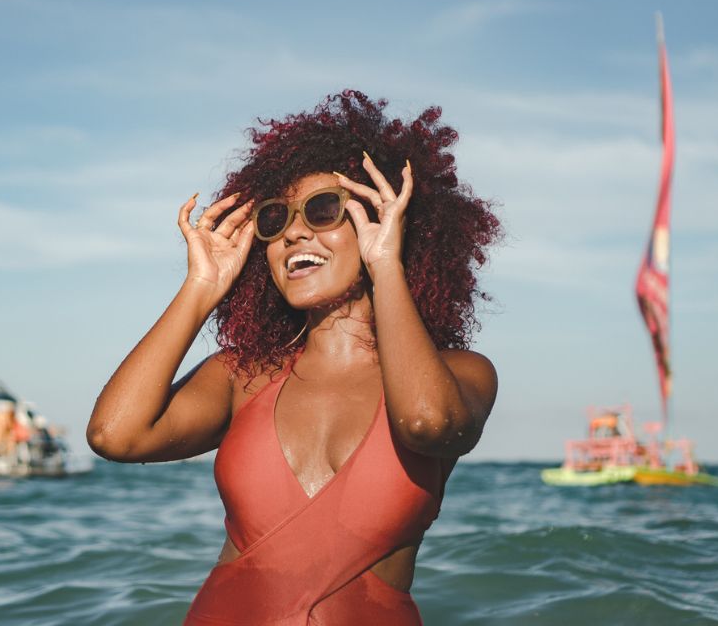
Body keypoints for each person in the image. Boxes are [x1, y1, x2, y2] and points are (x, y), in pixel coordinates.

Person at [88, 91, 501, 625]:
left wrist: (386, 265)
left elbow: (426, 423)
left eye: (324, 209)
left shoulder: (461, 373)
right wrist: (201, 286)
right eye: (274, 219)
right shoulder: (243, 376)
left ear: (384, 217)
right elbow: (114, 435)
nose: (294, 232)